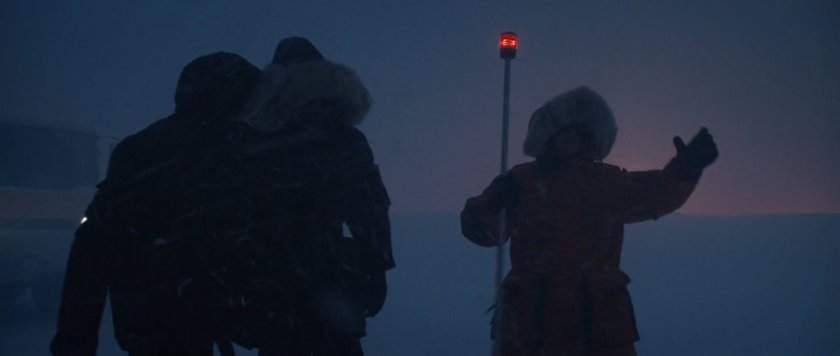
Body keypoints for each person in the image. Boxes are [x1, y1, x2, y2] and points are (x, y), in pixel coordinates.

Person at [460, 87, 718, 356]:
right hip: (531, 327)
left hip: (595, 328)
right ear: (549, 135)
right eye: (564, 131)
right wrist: (488, 205)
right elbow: (484, 233)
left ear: (590, 137)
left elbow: (656, 194)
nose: (570, 138)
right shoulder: (520, 182)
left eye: (578, 132)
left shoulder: (607, 183)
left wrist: (685, 168)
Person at [50, 52, 261, 356]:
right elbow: (94, 247)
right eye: (248, 101)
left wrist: (74, 338)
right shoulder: (221, 152)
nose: (250, 112)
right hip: (169, 319)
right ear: (228, 98)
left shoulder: (147, 148)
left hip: (155, 318)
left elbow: (91, 248)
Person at [233, 37, 394, 356]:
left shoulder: (252, 138)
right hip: (331, 282)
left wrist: (239, 285)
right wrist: (376, 267)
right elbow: (370, 211)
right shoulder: (345, 138)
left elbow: (237, 215)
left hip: (272, 285)